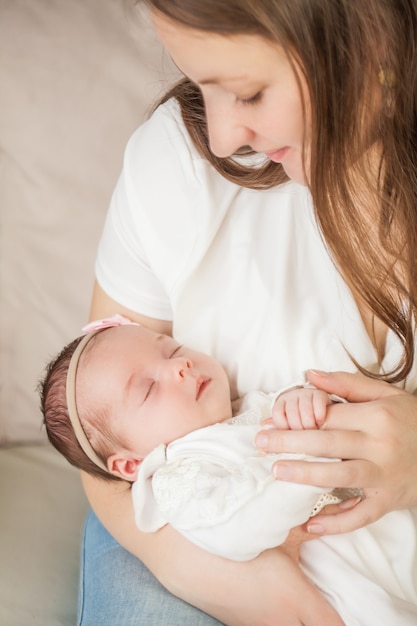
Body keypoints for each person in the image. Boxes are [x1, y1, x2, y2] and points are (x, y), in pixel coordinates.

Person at [76, 1, 417, 624]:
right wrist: (205, 570)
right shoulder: (177, 159)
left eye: (249, 93)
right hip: (169, 522)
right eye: (205, 89)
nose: (222, 138)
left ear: (371, 41)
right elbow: (98, 443)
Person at [40, 315, 417, 625]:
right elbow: (237, 525)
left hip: (382, 539)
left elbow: (306, 414)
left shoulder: (247, 408)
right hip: (337, 596)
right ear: (131, 464)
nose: (179, 366)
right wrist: (312, 460)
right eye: (149, 389)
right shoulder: (178, 479)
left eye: (170, 349)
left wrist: (307, 401)